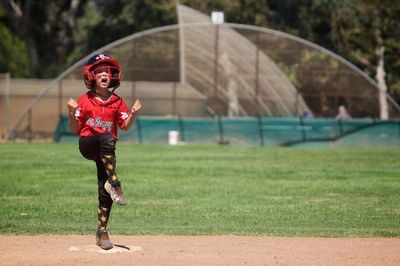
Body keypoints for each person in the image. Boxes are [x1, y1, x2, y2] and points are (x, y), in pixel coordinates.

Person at [67, 53, 142, 250]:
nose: (104, 75)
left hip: (106, 152)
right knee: (107, 137)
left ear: (113, 77)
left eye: (107, 72)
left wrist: (133, 114)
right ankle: (115, 184)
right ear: (90, 77)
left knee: (103, 191)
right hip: (88, 145)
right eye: (99, 72)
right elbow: (75, 129)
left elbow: (124, 126)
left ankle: (102, 232)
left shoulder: (117, 101)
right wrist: (70, 111)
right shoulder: (85, 100)